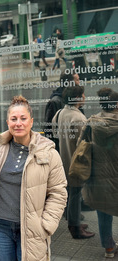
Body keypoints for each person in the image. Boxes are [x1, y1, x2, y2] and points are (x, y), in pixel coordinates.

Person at [0, 95, 67, 261]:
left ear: (31, 122)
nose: (18, 123)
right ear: (8, 122)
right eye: (13, 119)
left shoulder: (49, 153)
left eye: (23, 118)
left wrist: (46, 225)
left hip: (31, 229)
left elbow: (58, 192)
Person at [76, 88, 118, 257]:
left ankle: (108, 248)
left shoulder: (91, 122)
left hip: (99, 177)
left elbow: (80, 146)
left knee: (104, 213)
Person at [52, 85, 94, 239]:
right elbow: (84, 144)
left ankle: (73, 221)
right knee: (75, 194)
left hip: (62, 159)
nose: (84, 97)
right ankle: (75, 227)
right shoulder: (80, 118)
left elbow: (55, 133)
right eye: (83, 95)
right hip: (75, 162)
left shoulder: (59, 113)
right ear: (77, 98)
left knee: (71, 193)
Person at [44, 71, 80, 151]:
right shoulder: (55, 101)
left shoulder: (75, 99)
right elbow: (48, 130)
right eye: (77, 80)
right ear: (69, 83)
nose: (79, 83)